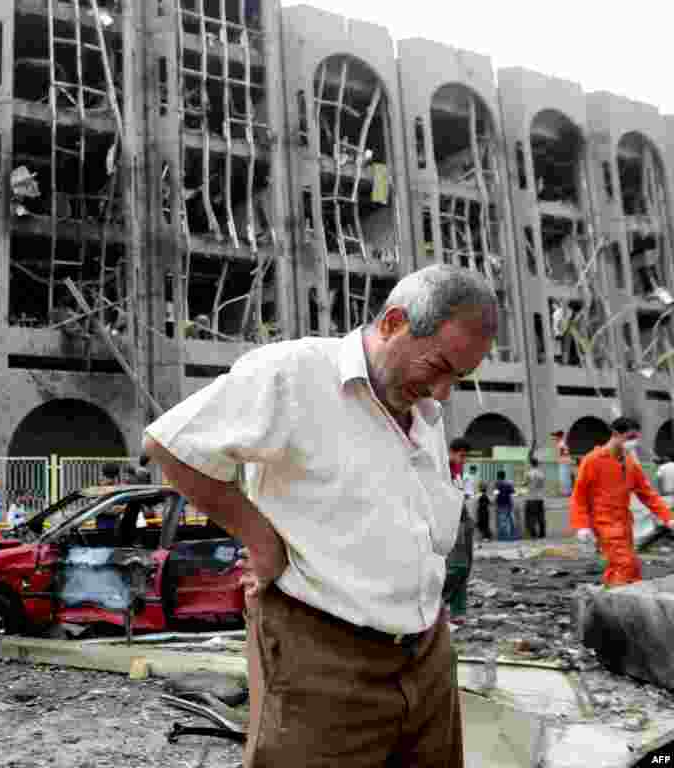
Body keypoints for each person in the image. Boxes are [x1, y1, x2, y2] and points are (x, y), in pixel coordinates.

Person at [144, 264, 498, 767]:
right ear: (394, 322)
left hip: (427, 652)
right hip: (322, 653)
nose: (443, 392)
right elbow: (170, 447)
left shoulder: (421, 406)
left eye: (457, 378)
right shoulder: (294, 373)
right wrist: (260, 539)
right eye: (438, 367)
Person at [570, 416, 674, 586]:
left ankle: (613, 601)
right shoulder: (592, 461)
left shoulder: (630, 463)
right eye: (630, 438)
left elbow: (648, 494)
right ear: (615, 434)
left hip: (624, 524)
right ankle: (626, 602)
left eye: (635, 438)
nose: (633, 443)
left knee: (624, 567)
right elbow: (579, 495)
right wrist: (581, 526)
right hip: (604, 523)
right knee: (625, 564)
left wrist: (668, 518)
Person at [443, 438, 475, 622]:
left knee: (466, 566)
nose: (463, 460)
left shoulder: (457, 471)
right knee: (457, 566)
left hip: (463, 520)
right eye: (461, 456)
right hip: (451, 522)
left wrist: (468, 520)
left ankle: (458, 611)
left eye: (465, 457)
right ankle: (438, 601)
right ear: (452, 452)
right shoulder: (443, 470)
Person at [524, 457, 547, 538]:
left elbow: (525, 483)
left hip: (530, 497)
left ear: (531, 464)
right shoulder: (541, 474)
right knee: (540, 516)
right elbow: (542, 484)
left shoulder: (528, 473)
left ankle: (533, 533)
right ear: (537, 464)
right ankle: (542, 533)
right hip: (540, 497)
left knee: (530, 516)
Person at [494, 471, 517, 541]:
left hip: (501, 504)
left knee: (502, 520)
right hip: (509, 503)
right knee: (511, 520)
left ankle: (503, 536)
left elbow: (496, 493)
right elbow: (513, 492)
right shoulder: (509, 483)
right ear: (504, 476)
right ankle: (512, 536)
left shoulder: (497, 483)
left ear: (498, 476)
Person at [552, 429, 573, 495]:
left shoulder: (561, 443)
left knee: (564, 476)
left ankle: (566, 492)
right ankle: (566, 491)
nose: (554, 438)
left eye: (556, 436)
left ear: (559, 436)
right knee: (564, 476)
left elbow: (563, 453)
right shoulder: (561, 443)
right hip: (564, 461)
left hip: (564, 461)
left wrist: (559, 459)